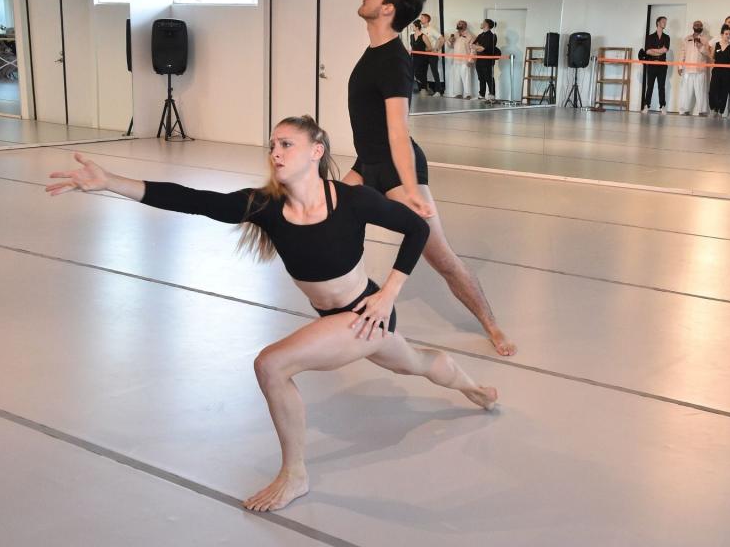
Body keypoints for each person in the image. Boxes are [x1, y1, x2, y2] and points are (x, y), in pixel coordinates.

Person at [46, 116, 499, 512]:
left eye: (286, 144)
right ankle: (476, 388)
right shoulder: (266, 207)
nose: (275, 152)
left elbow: (416, 227)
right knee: (416, 362)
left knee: (271, 364)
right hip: (340, 322)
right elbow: (192, 198)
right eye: (272, 145)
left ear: (316, 151)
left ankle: (295, 473)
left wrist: (389, 294)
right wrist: (110, 182)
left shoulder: (351, 200)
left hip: (366, 314)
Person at [347, 0, 516, 356]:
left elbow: (398, 132)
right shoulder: (374, 51)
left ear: (387, 8)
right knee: (331, 217)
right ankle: (353, 305)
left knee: (441, 258)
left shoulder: (393, 60)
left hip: (395, 165)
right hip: (366, 162)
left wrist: (409, 187)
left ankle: (492, 325)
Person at [677, 20, 710, 116]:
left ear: (702, 27)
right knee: (685, 92)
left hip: (700, 70)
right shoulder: (687, 39)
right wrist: (680, 66)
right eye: (696, 25)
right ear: (693, 26)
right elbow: (682, 53)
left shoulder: (706, 39)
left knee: (701, 92)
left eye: (700, 25)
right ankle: (684, 110)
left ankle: (702, 111)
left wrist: (701, 47)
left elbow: (708, 53)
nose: (698, 26)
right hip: (687, 70)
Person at [642, 16, 670, 113]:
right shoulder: (650, 37)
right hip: (652, 64)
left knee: (661, 86)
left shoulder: (667, 37)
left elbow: (665, 50)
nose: (665, 23)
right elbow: (648, 51)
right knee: (650, 86)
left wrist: (654, 50)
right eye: (663, 21)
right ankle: (646, 105)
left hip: (662, 65)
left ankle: (662, 106)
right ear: (658, 23)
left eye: (665, 22)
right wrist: (659, 51)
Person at [709, 24, 730, 118]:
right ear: (722, 34)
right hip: (717, 71)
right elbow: (712, 57)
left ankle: (721, 111)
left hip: (728, 72)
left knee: (724, 91)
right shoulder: (716, 45)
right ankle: (713, 109)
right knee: (713, 90)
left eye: (729, 34)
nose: (728, 36)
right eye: (726, 34)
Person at [445, 19, 476, 99]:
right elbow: (450, 46)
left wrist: (470, 60)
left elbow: (473, 49)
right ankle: (458, 94)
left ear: (465, 26)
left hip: (465, 60)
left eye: (461, 23)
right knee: (457, 78)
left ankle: (468, 94)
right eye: (458, 23)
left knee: (466, 78)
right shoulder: (455, 35)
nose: (459, 24)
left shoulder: (470, 35)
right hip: (456, 60)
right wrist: (450, 41)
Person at [472, 18, 498, 101]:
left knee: (489, 78)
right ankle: (481, 95)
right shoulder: (480, 35)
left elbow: (483, 48)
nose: (481, 23)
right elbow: (472, 45)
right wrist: (478, 47)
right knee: (481, 78)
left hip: (487, 60)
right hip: (479, 59)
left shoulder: (492, 36)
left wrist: (478, 47)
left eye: (483, 22)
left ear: (486, 25)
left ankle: (492, 95)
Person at [419, 13, 444, 95]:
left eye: (422, 18)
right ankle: (425, 89)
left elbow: (441, 39)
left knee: (435, 72)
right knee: (423, 72)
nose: (420, 19)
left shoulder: (432, 29)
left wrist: (436, 49)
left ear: (427, 19)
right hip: (423, 54)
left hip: (432, 54)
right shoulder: (421, 30)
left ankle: (438, 91)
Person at [409, 19, 433, 94]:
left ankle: (424, 88)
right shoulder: (411, 36)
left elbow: (430, 48)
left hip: (422, 58)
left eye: (413, 26)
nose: (411, 27)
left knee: (422, 73)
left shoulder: (423, 36)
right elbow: (412, 47)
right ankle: (421, 87)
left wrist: (423, 51)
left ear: (417, 27)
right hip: (413, 57)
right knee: (415, 73)